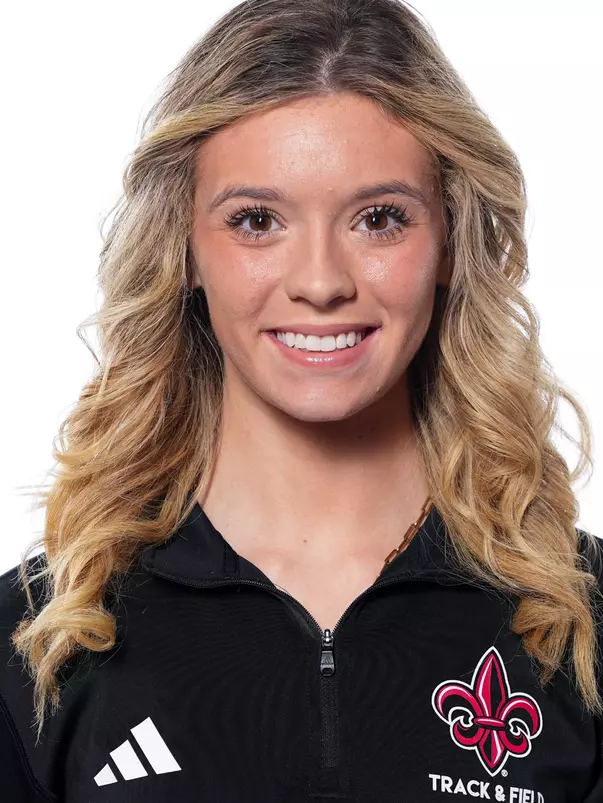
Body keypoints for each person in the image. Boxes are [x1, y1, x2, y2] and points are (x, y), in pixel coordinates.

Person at [1, 0, 601, 800]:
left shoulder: (578, 621)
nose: (320, 281)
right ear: (183, 249)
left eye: (379, 219)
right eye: (256, 220)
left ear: (450, 242)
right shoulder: (42, 639)